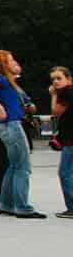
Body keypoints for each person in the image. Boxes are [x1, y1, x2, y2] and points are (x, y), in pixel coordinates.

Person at [0, 50, 43, 218]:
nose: (14, 61)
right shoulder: (0, 79)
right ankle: (22, 207)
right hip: (12, 125)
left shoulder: (3, 80)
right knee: (23, 167)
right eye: (11, 60)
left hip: (6, 125)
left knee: (14, 165)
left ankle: (5, 204)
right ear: (3, 63)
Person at [50, 74, 72, 218]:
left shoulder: (67, 92)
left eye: (59, 78)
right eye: (53, 79)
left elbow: (56, 111)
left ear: (69, 79)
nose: (55, 81)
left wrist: (53, 95)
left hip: (71, 139)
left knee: (65, 172)